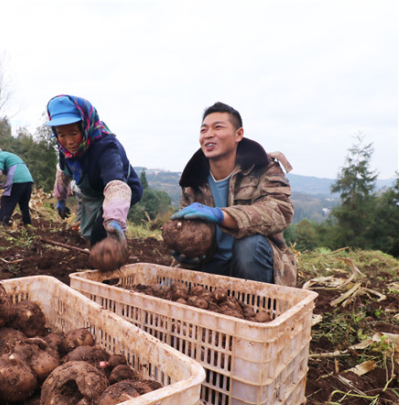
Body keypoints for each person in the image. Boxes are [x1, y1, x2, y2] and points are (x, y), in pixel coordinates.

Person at [171, 101, 296, 286]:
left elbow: (280, 210)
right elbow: (189, 230)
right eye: (203, 130)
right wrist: (184, 250)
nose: (208, 134)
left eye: (218, 127)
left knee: (249, 245)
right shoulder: (193, 181)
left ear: (239, 134)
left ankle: (257, 310)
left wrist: (222, 215)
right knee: (166, 289)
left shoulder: (264, 169)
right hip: (213, 264)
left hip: (256, 266)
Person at [46, 94, 143, 250]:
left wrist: (114, 221)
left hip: (120, 192)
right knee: (89, 233)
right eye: (61, 135)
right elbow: (63, 171)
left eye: (74, 133)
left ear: (85, 126)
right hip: (94, 191)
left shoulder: (105, 146)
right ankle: (97, 256)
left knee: (101, 231)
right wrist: (61, 198)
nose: (68, 141)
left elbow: (116, 185)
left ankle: (110, 266)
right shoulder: (65, 149)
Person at [0, 147, 34, 226]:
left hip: (17, 180)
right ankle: (27, 223)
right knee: (24, 203)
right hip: (28, 180)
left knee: (6, 201)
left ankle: (2, 224)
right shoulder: (9, 155)